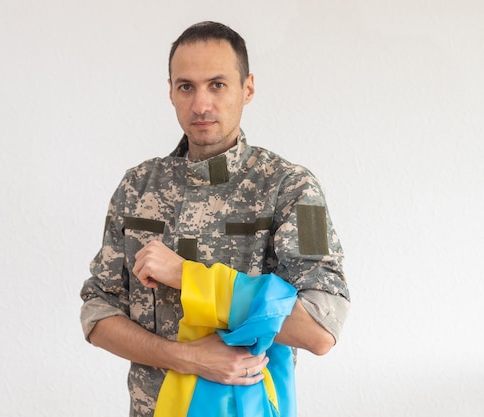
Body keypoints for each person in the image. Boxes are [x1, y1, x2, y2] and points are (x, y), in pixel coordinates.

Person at [80, 21, 350, 417]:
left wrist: (188, 277)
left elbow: (320, 327)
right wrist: (184, 357)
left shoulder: (292, 188)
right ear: (170, 91)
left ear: (248, 88)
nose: (201, 104)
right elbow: (96, 311)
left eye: (218, 84)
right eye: (186, 86)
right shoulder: (138, 187)